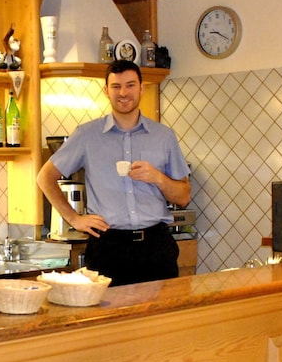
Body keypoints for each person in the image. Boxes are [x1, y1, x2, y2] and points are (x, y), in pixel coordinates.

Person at [37, 60, 191, 286]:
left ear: (141, 88)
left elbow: (184, 196)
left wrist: (157, 177)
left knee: (163, 310)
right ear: (106, 91)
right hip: (108, 248)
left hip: (156, 247)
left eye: (130, 85)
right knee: (108, 310)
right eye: (116, 86)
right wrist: (74, 219)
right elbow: (45, 177)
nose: (123, 93)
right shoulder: (87, 135)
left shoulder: (164, 136)